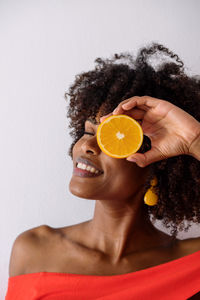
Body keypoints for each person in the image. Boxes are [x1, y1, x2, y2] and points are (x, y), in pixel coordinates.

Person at [5, 43, 200, 299]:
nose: (86, 145)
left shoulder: (191, 266)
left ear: (158, 161)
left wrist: (194, 139)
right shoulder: (33, 249)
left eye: (114, 137)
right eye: (87, 132)